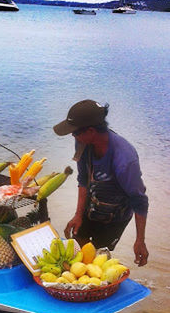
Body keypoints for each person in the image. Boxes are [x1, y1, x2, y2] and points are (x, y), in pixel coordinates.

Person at [53, 99, 149, 267]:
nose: (72, 136)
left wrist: (140, 240)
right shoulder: (83, 142)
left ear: (91, 131)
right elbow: (83, 179)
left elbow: (140, 201)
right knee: (78, 248)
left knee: (97, 258)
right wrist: (78, 214)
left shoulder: (124, 159)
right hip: (92, 203)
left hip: (116, 214)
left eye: (75, 132)